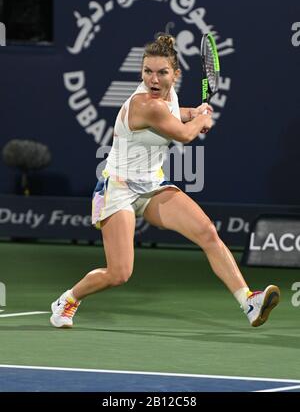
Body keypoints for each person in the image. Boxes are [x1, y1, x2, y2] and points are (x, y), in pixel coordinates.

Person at [50, 34, 280, 329]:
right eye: (147, 72)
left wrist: (192, 112)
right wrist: (203, 117)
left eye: (161, 72)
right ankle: (67, 301)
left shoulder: (166, 98)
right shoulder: (145, 103)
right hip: (118, 189)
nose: (153, 79)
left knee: (207, 232)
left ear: (176, 74)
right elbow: (184, 134)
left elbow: (175, 115)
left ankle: (249, 301)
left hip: (151, 186)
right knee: (119, 273)